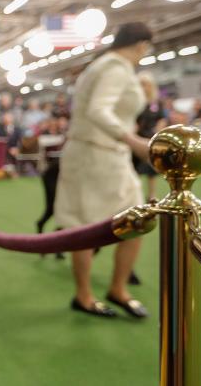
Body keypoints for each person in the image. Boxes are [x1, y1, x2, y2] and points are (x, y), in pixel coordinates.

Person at [54, 22, 153, 319]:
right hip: (96, 155)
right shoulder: (115, 68)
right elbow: (99, 110)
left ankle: (115, 289)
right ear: (141, 45)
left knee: (136, 221)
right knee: (89, 226)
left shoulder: (104, 66)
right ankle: (86, 295)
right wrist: (134, 141)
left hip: (105, 155)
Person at [134, 72, 166, 200]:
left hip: (151, 138)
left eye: (145, 84)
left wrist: (159, 131)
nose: (143, 87)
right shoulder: (135, 101)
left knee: (151, 169)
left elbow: (162, 118)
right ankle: (134, 194)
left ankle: (152, 195)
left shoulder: (156, 102)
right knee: (134, 168)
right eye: (140, 84)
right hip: (136, 139)